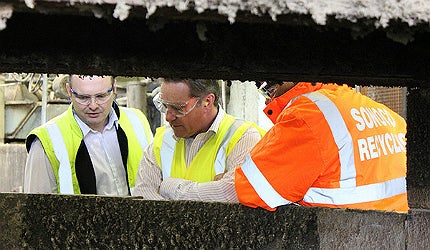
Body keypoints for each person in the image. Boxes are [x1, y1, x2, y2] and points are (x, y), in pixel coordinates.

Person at [235, 81, 408, 212]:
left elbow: (251, 191)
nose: (268, 101)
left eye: (270, 90)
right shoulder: (388, 116)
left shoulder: (307, 115)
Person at [133, 78, 265, 201]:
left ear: (208, 101)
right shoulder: (160, 142)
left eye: (178, 108)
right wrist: (213, 191)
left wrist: (170, 187)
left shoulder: (242, 137)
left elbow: (232, 193)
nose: (168, 117)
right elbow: (144, 201)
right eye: (165, 106)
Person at [24, 75, 153, 195]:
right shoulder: (46, 142)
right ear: (69, 91)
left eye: (102, 96)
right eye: (83, 97)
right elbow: (38, 213)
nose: (93, 106)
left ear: (114, 88)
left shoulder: (137, 120)